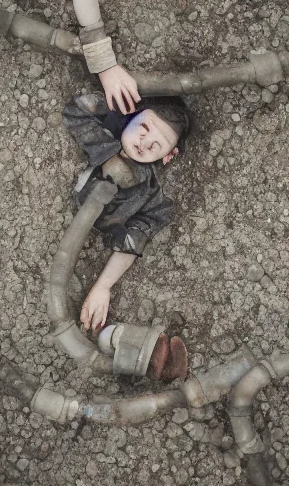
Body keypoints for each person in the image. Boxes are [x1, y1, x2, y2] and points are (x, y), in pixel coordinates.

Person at [62, 91, 191, 380]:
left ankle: (147, 357)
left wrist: (103, 286)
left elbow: (132, 242)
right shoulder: (101, 142)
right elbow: (77, 108)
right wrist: (121, 105)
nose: (144, 143)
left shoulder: (152, 198)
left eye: (157, 144)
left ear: (169, 156)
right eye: (143, 128)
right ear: (131, 119)